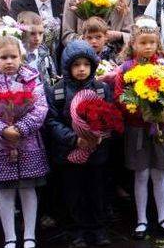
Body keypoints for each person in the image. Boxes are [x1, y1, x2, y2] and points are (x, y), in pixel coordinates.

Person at [0, 30, 49, 248]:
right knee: (5, 191)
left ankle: (29, 235)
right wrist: (1, 129)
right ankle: (9, 237)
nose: (9, 61)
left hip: (28, 142)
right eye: (3, 57)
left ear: (21, 56)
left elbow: (40, 107)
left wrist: (21, 128)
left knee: (28, 189)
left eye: (13, 57)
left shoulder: (32, 78)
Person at [44, 40, 115, 247]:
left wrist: (100, 133)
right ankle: (76, 230)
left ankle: (98, 229)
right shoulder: (57, 91)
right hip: (69, 153)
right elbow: (52, 120)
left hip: (97, 152)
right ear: (67, 67)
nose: (82, 69)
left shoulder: (101, 88)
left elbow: (110, 114)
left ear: (93, 66)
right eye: (76, 65)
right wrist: (75, 139)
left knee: (97, 191)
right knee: (73, 193)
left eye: (86, 64)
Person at [112, 18, 164, 239]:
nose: (148, 47)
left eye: (152, 42)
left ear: (157, 43)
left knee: (159, 173)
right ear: (133, 44)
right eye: (143, 42)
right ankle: (141, 219)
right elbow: (120, 96)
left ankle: (162, 217)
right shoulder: (126, 69)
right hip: (137, 127)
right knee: (141, 174)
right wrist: (139, 109)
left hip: (160, 127)